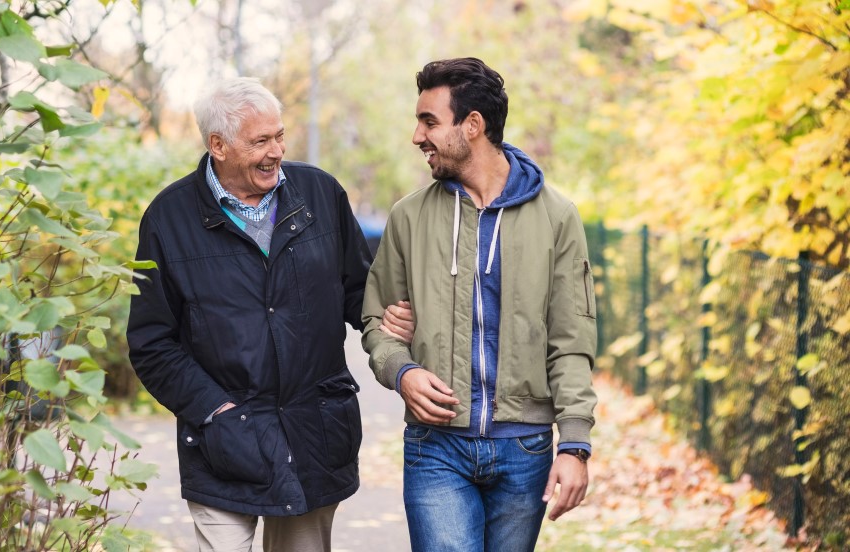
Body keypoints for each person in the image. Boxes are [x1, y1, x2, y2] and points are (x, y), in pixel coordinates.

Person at [126, 77, 411, 552]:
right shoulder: (167, 219)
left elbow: (359, 289)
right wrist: (215, 411)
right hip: (221, 442)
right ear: (217, 145)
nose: (276, 151)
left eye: (279, 135)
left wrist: (387, 320)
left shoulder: (320, 194)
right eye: (260, 141)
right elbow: (152, 343)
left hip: (313, 433)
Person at [362, 58, 599, 552]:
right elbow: (376, 320)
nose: (417, 136)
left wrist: (574, 443)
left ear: (473, 125)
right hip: (436, 447)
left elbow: (571, 340)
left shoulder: (557, 219)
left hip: (526, 448)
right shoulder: (408, 218)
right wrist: (401, 370)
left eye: (429, 121)